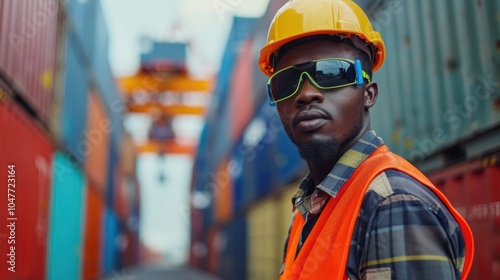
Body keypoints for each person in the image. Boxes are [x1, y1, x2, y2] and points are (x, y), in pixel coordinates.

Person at [257, 0, 474, 279]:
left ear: (368, 94)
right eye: (287, 82)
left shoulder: (393, 203)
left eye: (331, 73)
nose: (306, 93)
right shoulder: (305, 212)